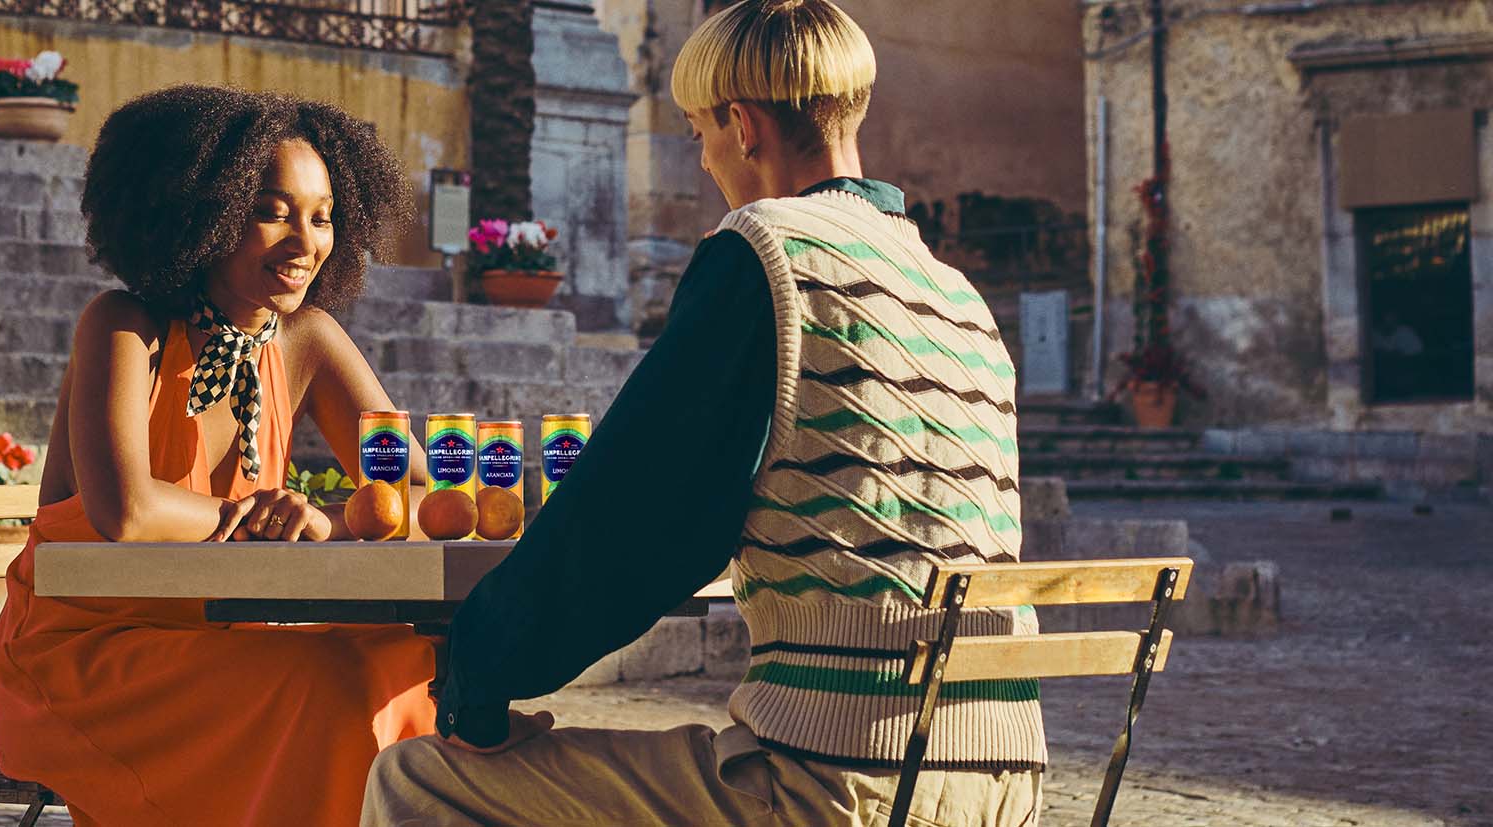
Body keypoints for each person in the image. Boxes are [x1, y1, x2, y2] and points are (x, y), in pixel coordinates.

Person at [361, 0, 1044, 824]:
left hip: (840, 781)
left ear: (742, 126)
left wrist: (477, 683)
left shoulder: (768, 251)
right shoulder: (958, 295)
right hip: (1003, 777)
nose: (705, 160)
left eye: (699, 133)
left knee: (419, 777)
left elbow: (637, 514)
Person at [0, 85, 440, 826]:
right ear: (201, 212)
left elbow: (427, 498)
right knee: (325, 680)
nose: (305, 243)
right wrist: (259, 516)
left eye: (322, 217)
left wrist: (320, 520)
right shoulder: (123, 327)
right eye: (272, 212)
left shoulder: (308, 340)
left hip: (219, 640)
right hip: (86, 658)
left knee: (403, 661)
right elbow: (127, 511)